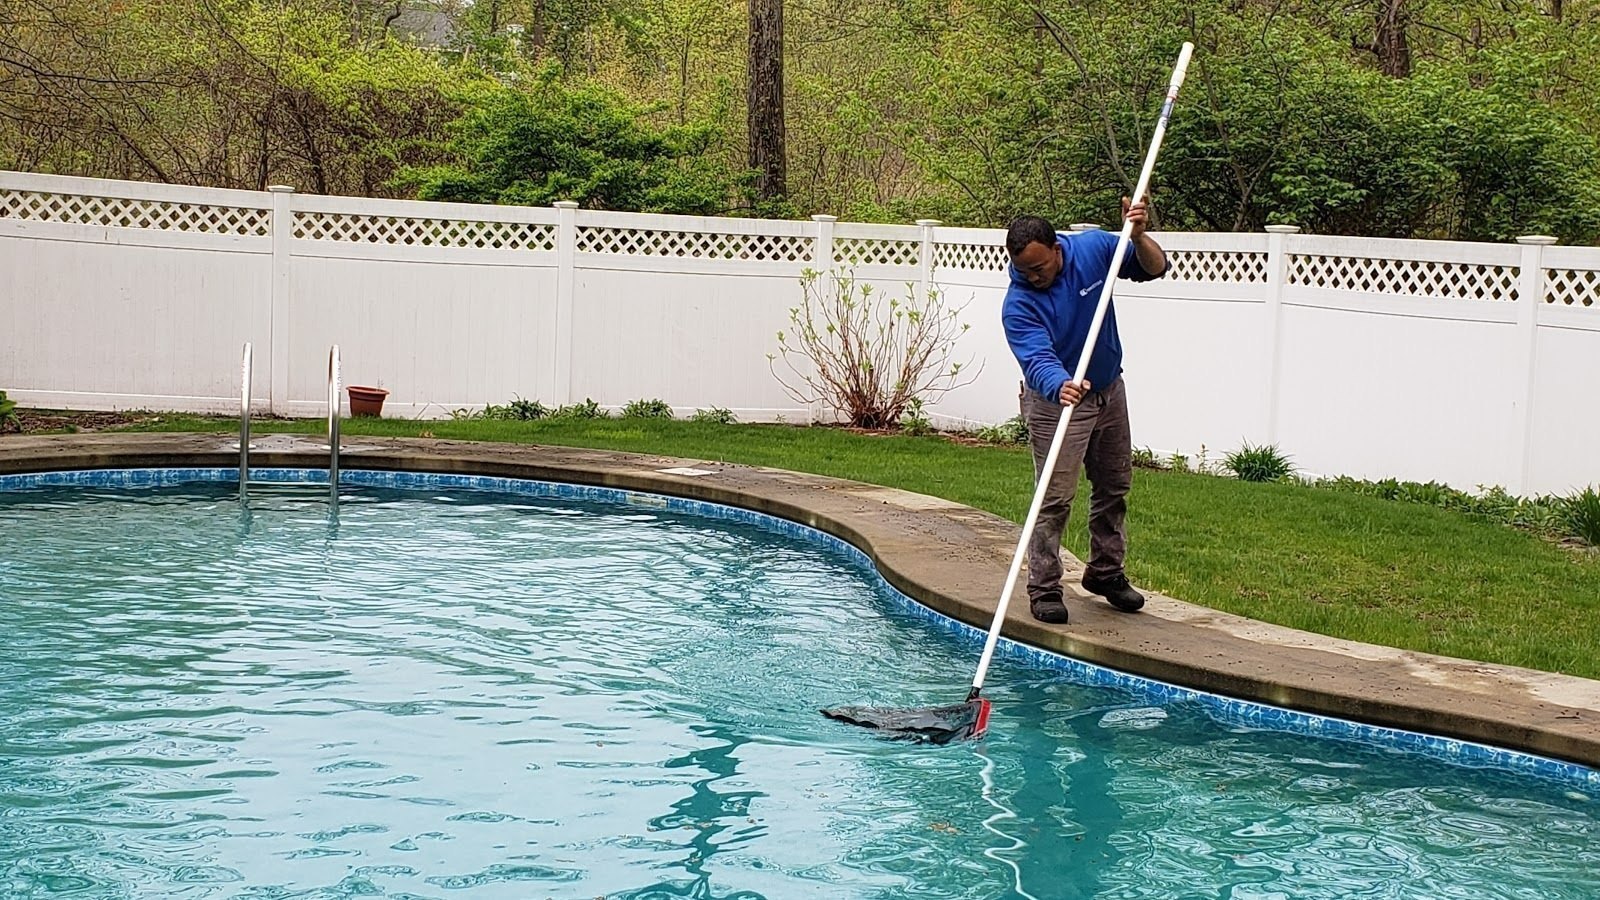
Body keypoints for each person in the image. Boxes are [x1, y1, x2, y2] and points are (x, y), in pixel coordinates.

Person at [1001, 201, 1167, 624]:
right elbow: (1035, 358)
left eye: (1039, 268)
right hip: (1056, 401)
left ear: (1057, 249)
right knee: (1053, 498)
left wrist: (1137, 236)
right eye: (1025, 272)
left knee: (1114, 485)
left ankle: (1105, 572)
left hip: (1109, 387)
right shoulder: (1018, 303)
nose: (1033, 278)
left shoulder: (1093, 249)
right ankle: (1044, 587)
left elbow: (1154, 267)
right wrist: (1061, 383)